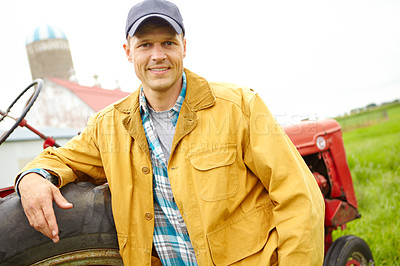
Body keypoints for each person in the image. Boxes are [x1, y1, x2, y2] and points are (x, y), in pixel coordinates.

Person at [16, 0, 325, 265]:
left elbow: (299, 197)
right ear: (128, 52)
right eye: (145, 45)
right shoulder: (108, 125)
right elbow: (61, 159)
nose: (157, 55)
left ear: (184, 46)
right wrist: (33, 178)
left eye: (168, 43)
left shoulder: (238, 106)